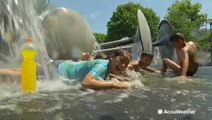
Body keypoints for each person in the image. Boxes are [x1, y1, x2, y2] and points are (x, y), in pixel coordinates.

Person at [0, 49, 131, 90]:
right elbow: (86, 82)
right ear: (112, 57)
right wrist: (115, 84)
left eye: (126, 64)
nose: (123, 66)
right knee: (21, 75)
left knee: (26, 70)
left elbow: (103, 76)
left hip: (59, 65)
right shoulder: (102, 65)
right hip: (56, 71)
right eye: (121, 61)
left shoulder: (106, 66)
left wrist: (119, 78)